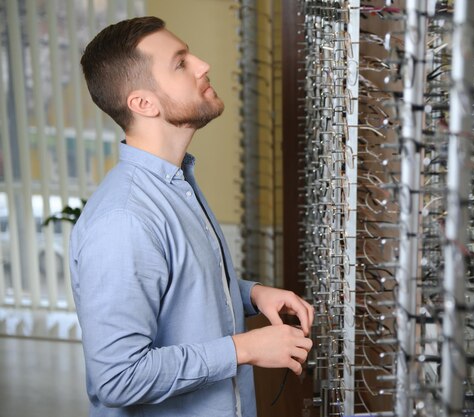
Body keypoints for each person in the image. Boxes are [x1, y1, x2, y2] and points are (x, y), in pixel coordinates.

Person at [70, 16, 314, 417]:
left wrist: (250, 294)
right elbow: (117, 378)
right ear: (143, 103)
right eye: (181, 62)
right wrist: (244, 348)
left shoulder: (176, 183)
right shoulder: (124, 220)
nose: (202, 65)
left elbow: (177, 286)